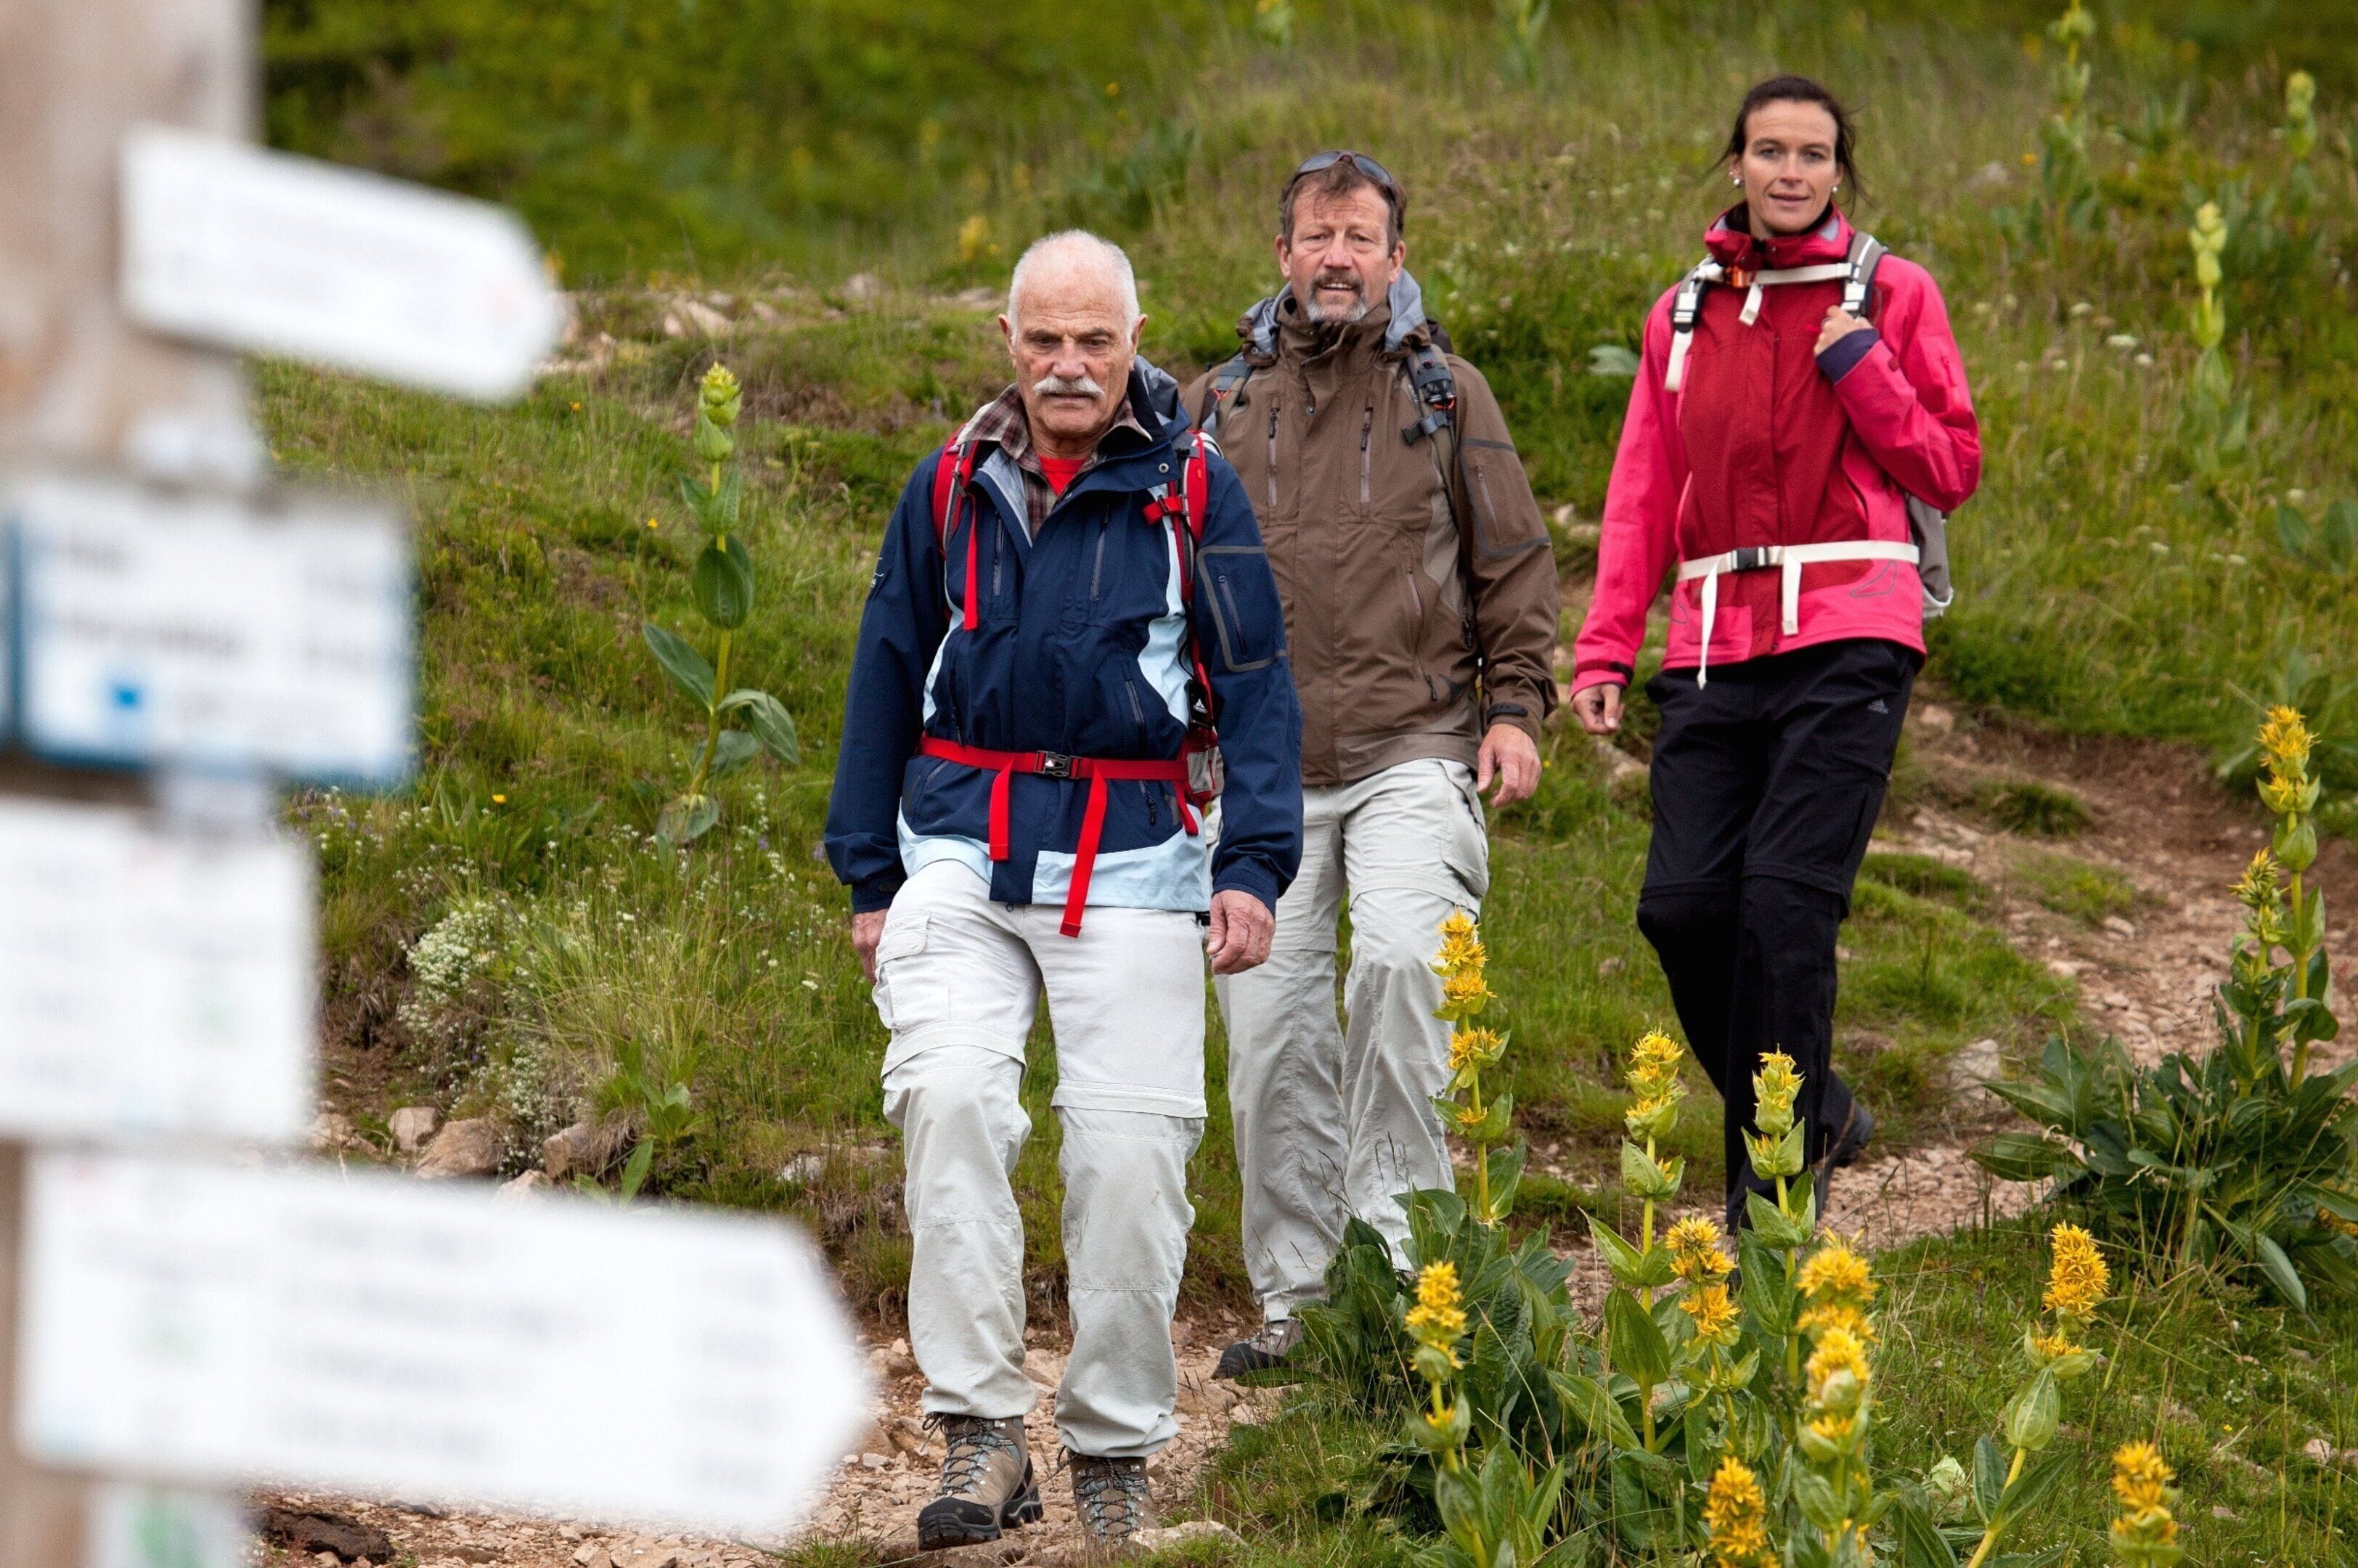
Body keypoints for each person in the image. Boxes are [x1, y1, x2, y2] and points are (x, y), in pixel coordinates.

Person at [823, 231, 1303, 1551]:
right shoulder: (944, 489)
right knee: (951, 1097)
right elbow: (885, 666)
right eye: (1048, 340)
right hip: (959, 848)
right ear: (1009, 341)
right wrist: (870, 872)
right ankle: (981, 1436)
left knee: (1134, 1154)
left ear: (1135, 340)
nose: (1072, 365)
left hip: (1141, 849)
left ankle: (1109, 1446)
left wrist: (1255, 867)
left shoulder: (1196, 491)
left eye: (1097, 340)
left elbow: (1256, 685)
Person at [1571, 75, 1981, 1232]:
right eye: (1768, 151)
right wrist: (1606, 648)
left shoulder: (1894, 295)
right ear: (1736, 165)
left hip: (1852, 631)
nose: (1790, 172)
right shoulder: (1682, 314)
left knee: (1785, 914)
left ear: (1839, 170)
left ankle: (1773, 1209)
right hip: (1710, 642)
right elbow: (1642, 493)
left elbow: (1949, 468)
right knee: (1685, 909)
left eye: (1813, 153)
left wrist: (1862, 364)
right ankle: (1820, 1113)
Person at [1197, 150, 1561, 1379]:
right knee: (1271, 1036)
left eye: (1361, 236)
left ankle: (1402, 1287)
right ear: (1284, 257)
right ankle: (1300, 1308)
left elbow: (1512, 567)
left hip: (1416, 741)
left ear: (1396, 259)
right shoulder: (1216, 409)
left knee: (1404, 975)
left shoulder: (1448, 394)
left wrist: (1515, 710)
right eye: (1318, 236)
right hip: (1262, 771)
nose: (1338, 256)